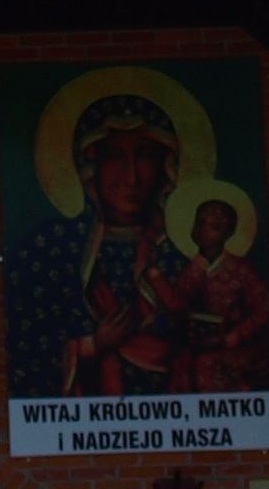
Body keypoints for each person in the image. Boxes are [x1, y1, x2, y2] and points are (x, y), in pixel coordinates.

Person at [60, 94, 190, 395]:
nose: (131, 177)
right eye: (114, 156)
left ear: (165, 166)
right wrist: (94, 344)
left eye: (145, 156)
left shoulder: (181, 248)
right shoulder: (60, 252)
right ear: (90, 165)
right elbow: (32, 348)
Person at [169, 195, 269, 391]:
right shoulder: (192, 269)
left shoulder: (241, 270)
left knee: (207, 367)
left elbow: (263, 308)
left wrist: (233, 337)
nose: (202, 231)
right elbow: (180, 302)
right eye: (200, 223)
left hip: (235, 346)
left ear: (226, 233)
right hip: (198, 343)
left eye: (213, 227)